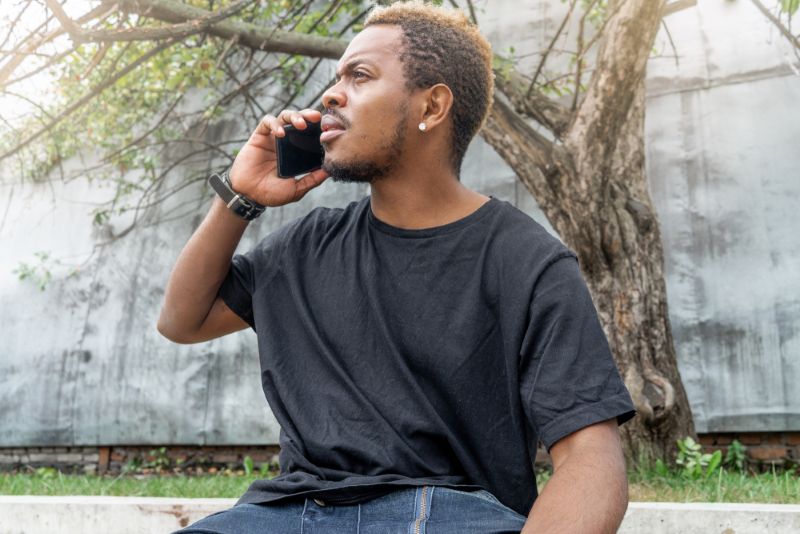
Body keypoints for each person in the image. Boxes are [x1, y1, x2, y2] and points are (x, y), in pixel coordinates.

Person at [158, 2, 635, 532]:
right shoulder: (306, 246)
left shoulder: (528, 261)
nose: (331, 94)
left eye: (359, 76)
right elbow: (183, 321)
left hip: (450, 513)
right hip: (289, 514)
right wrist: (239, 198)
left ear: (432, 106)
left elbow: (591, 458)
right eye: (336, 77)